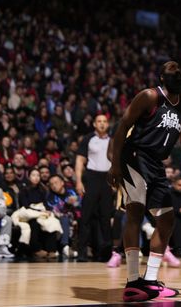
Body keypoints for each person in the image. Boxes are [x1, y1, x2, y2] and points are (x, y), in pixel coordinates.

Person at [109, 61, 181, 301]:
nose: (177, 69)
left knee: (166, 220)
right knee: (135, 212)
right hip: (134, 156)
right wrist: (114, 164)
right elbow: (123, 126)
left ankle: (151, 281)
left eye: (179, 67)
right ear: (162, 77)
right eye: (171, 67)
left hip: (156, 163)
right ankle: (133, 282)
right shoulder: (149, 96)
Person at [75, 113, 115, 263]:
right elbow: (79, 161)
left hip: (107, 180)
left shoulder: (112, 140)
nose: (102, 124)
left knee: (105, 218)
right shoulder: (88, 139)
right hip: (91, 178)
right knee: (86, 216)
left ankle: (106, 253)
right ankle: (82, 252)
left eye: (105, 121)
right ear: (94, 124)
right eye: (99, 121)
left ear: (108, 124)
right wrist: (79, 181)